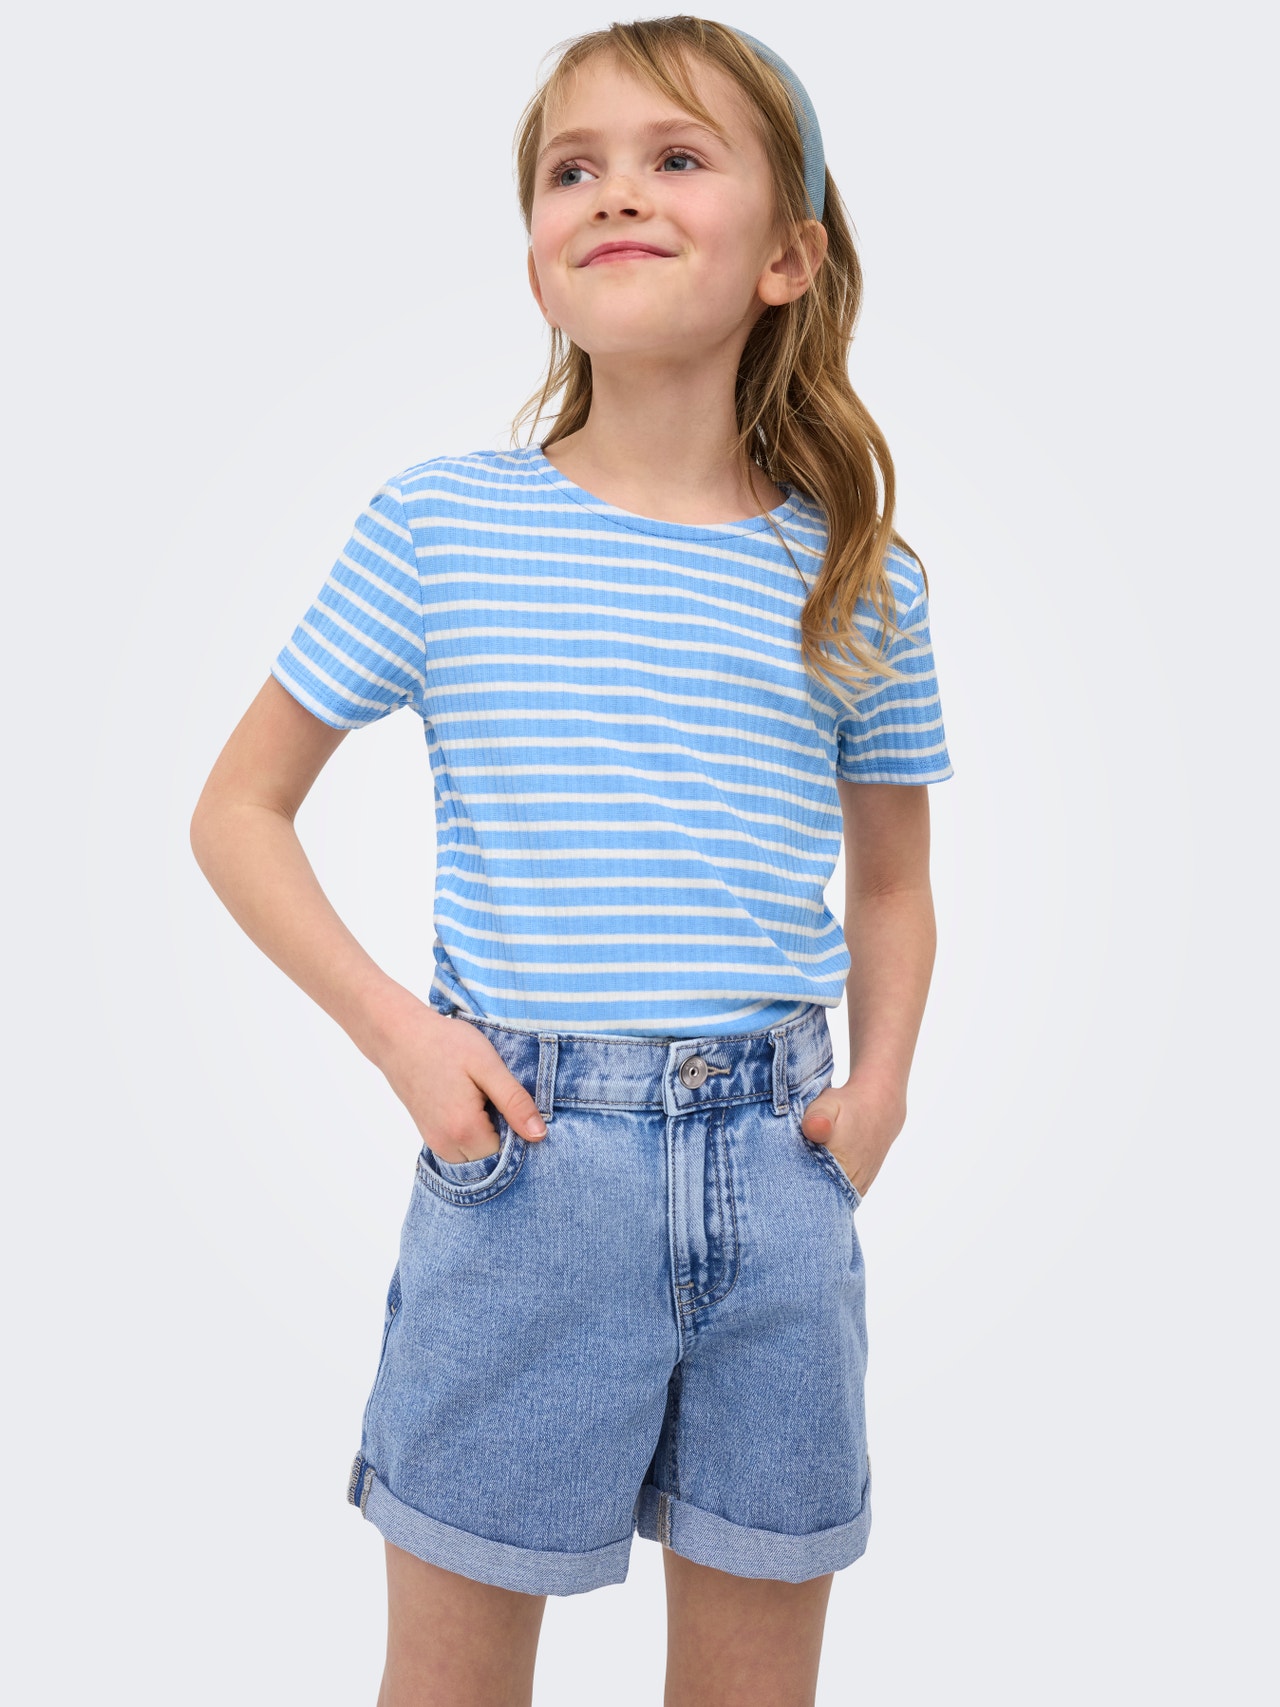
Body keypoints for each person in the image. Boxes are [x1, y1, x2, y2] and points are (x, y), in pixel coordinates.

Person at [189, 16, 953, 1706]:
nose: (614, 193)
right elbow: (238, 812)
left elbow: (894, 882)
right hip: (529, 1175)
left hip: (781, 1176)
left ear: (789, 256)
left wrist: (883, 1090)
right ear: (536, 250)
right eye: (571, 169)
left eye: (676, 159)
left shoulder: (860, 577)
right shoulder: (441, 527)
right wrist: (407, 1041)